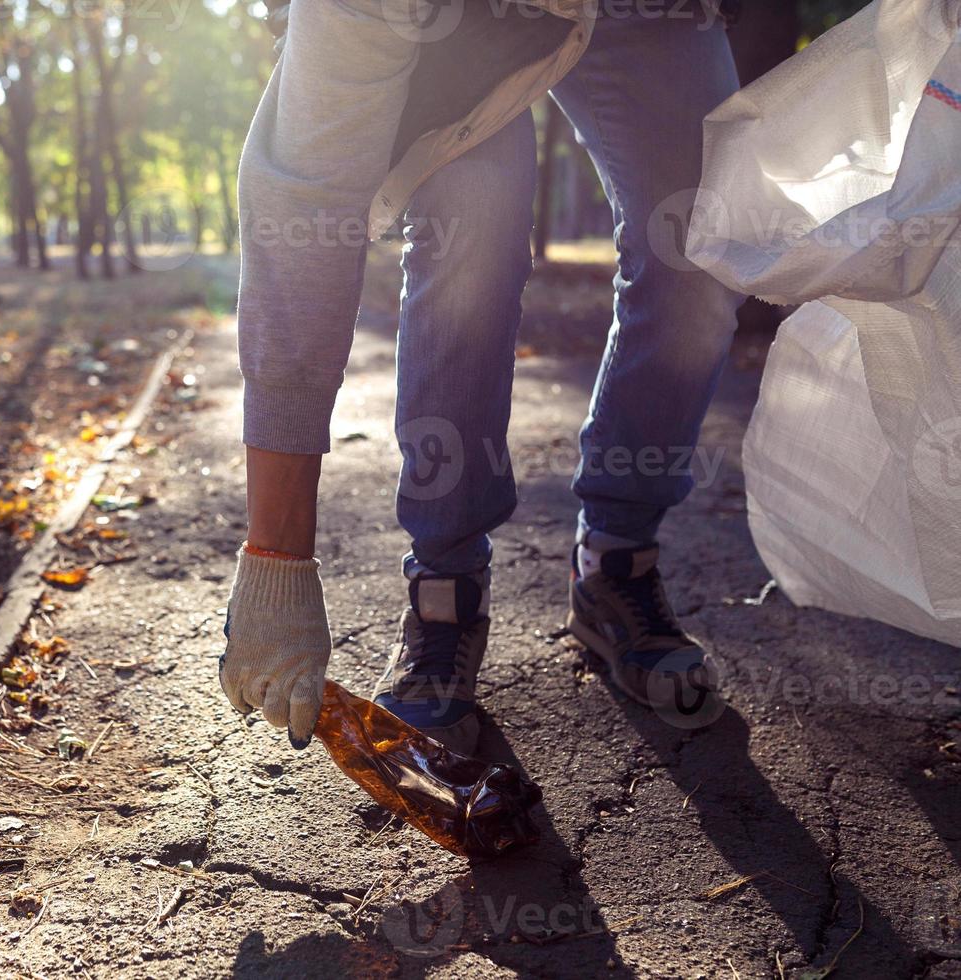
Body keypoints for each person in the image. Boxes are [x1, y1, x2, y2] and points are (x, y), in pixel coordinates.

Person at [219, 0, 744, 751]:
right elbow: (304, 205)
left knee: (703, 237)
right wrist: (276, 553)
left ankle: (616, 564)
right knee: (473, 221)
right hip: (452, 21)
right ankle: (445, 589)